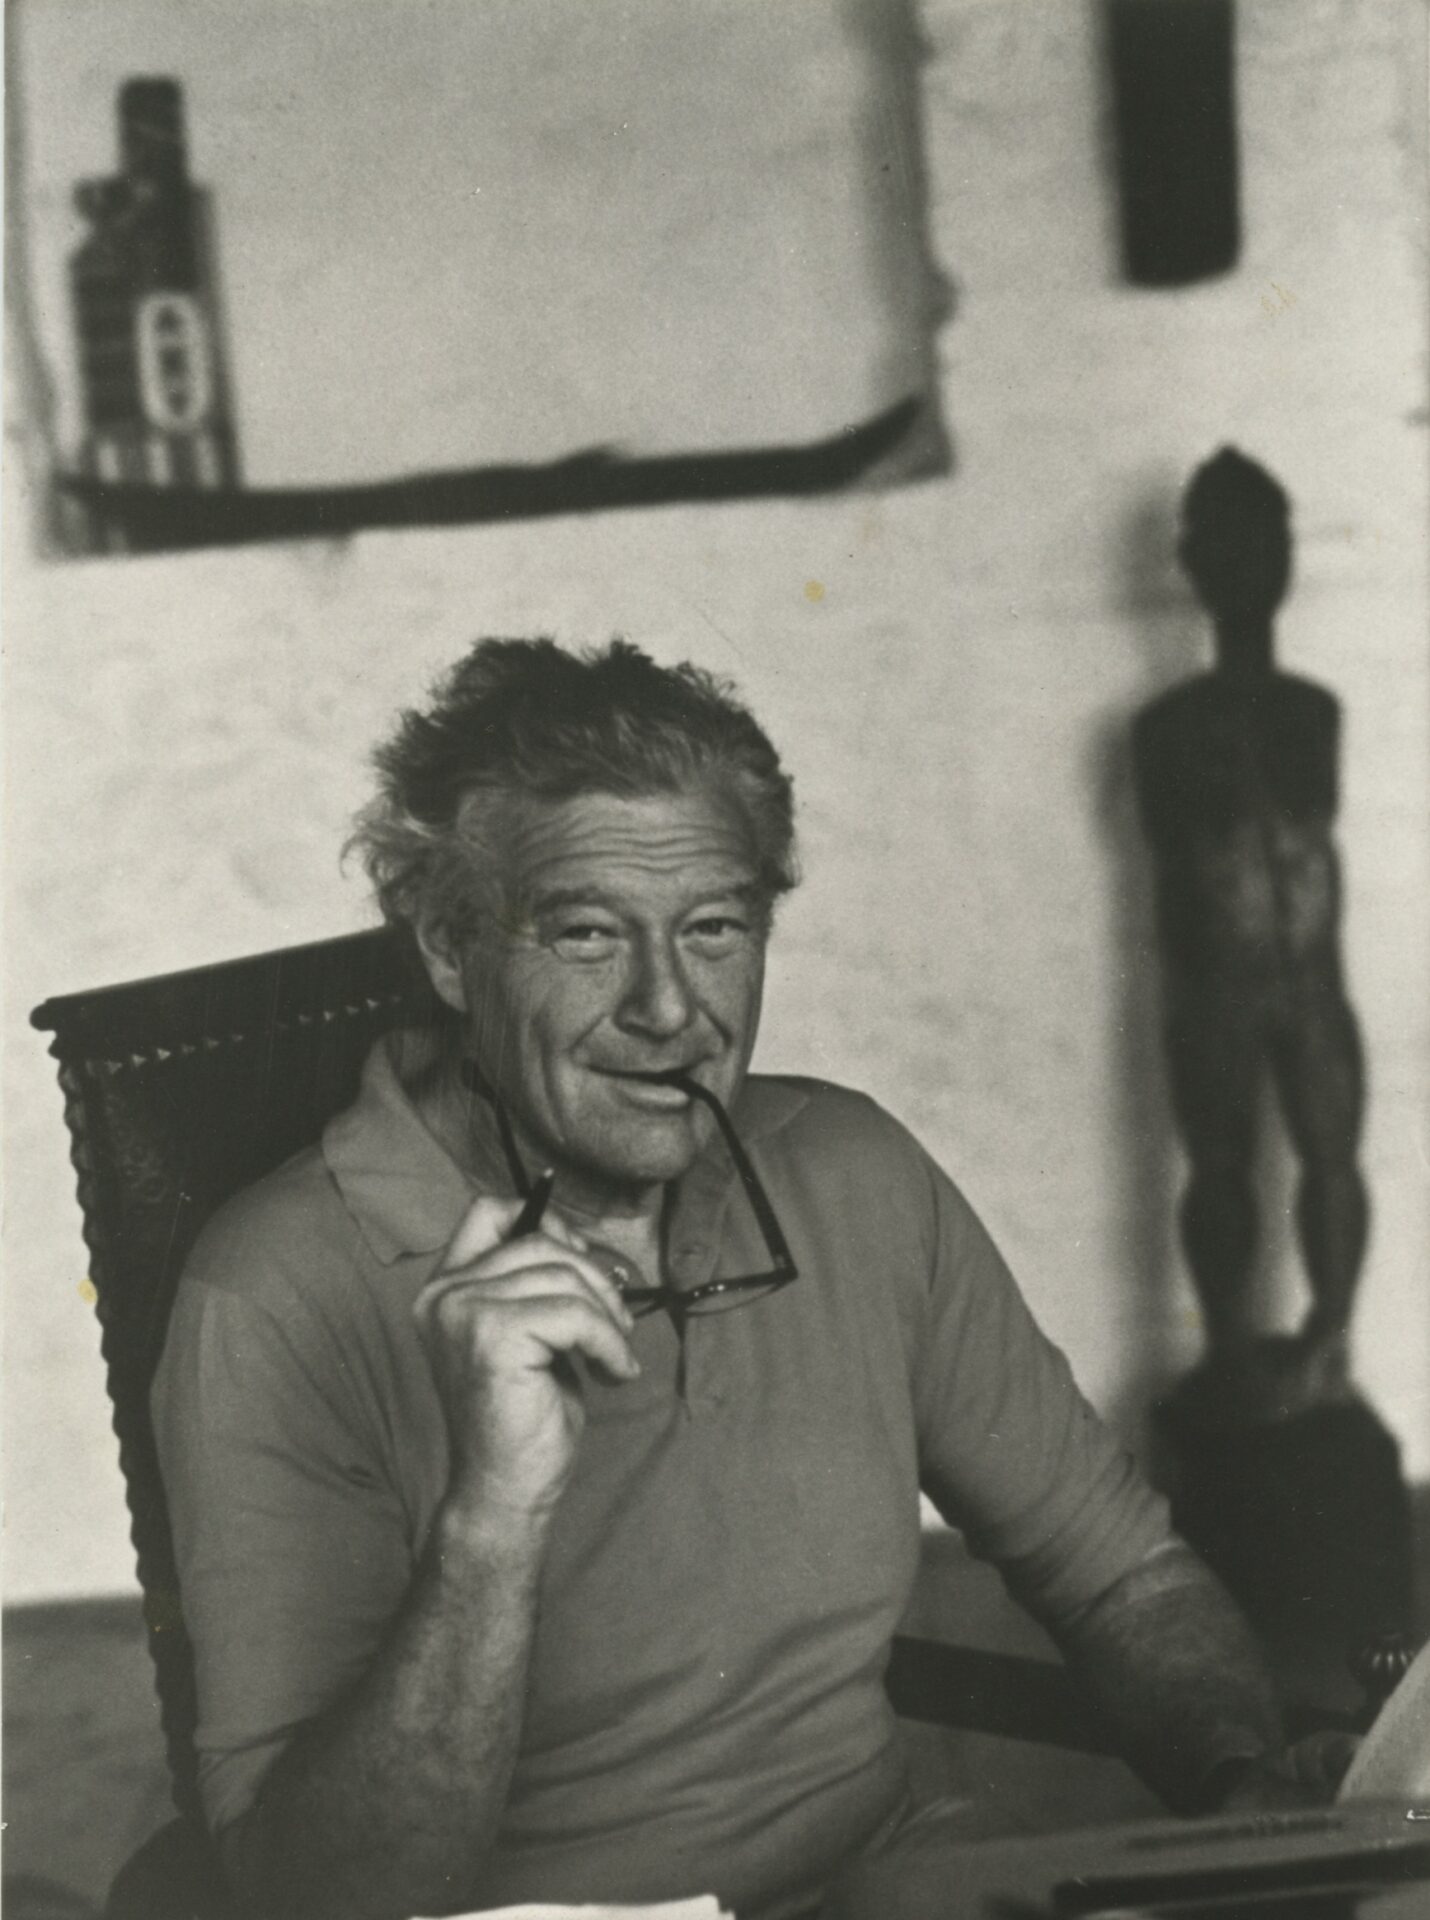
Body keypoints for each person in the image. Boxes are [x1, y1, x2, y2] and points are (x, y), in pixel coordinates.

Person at [153, 639, 1343, 1920]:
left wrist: (1242, 1789)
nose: (671, 1008)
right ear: (449, 946)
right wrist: (490, 1517)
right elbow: (312, 1898)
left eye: (713, 928)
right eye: (587, 933)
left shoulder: (852, 1172)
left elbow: (1120, 1573)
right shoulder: (273, 1293)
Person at [1133, 448, 1368, 1418]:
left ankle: (1330, 1337)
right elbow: (1174, 872)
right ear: (1192, 564)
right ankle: (1228, 1347)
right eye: (1226, 546)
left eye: (1266, 542)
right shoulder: (1166, 728)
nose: (1249, 565)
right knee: (1219, 1167)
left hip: (1314, 982)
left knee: (1331, 1159)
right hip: (1215, 986)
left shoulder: (1313, 711)